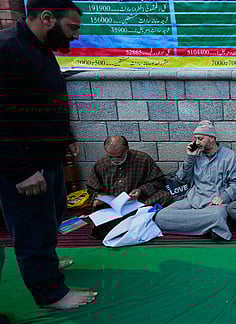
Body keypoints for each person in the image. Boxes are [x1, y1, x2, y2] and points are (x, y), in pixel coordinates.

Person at [0, 0, 97, 309]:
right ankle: (51, 294)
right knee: (32, 229)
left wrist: (66, 138)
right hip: (26, 166)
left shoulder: (41, 51)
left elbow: (47, 102)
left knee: (51, 217)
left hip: (49, 158)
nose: (77, 36)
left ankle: (48, 265)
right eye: (73, 27)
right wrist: (21, 170)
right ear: (47, 19)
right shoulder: (7, 50)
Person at [154, 120, 236, 240]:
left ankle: (195, 224)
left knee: (218, 215)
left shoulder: (229, 156)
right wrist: (190, 158)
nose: (197, 142)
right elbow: (181, 180)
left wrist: (224, 197)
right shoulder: (195, 154)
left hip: (214, 203)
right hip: (193, 200)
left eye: (200, 139)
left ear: (212, 138)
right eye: (195, 139)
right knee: (161, 216)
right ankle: (209, 226)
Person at [87, 136, 172, 207]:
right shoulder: (101, 163)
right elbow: (92, 188)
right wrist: (99, 197)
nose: (115, 160)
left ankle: (131, 214)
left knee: (164, 196)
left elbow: (159, 181)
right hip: (113, 205)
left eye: (119, 156)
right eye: (111, 157)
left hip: (139, 201)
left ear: (127, 149)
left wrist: (140, 191)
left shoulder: (142, 159)